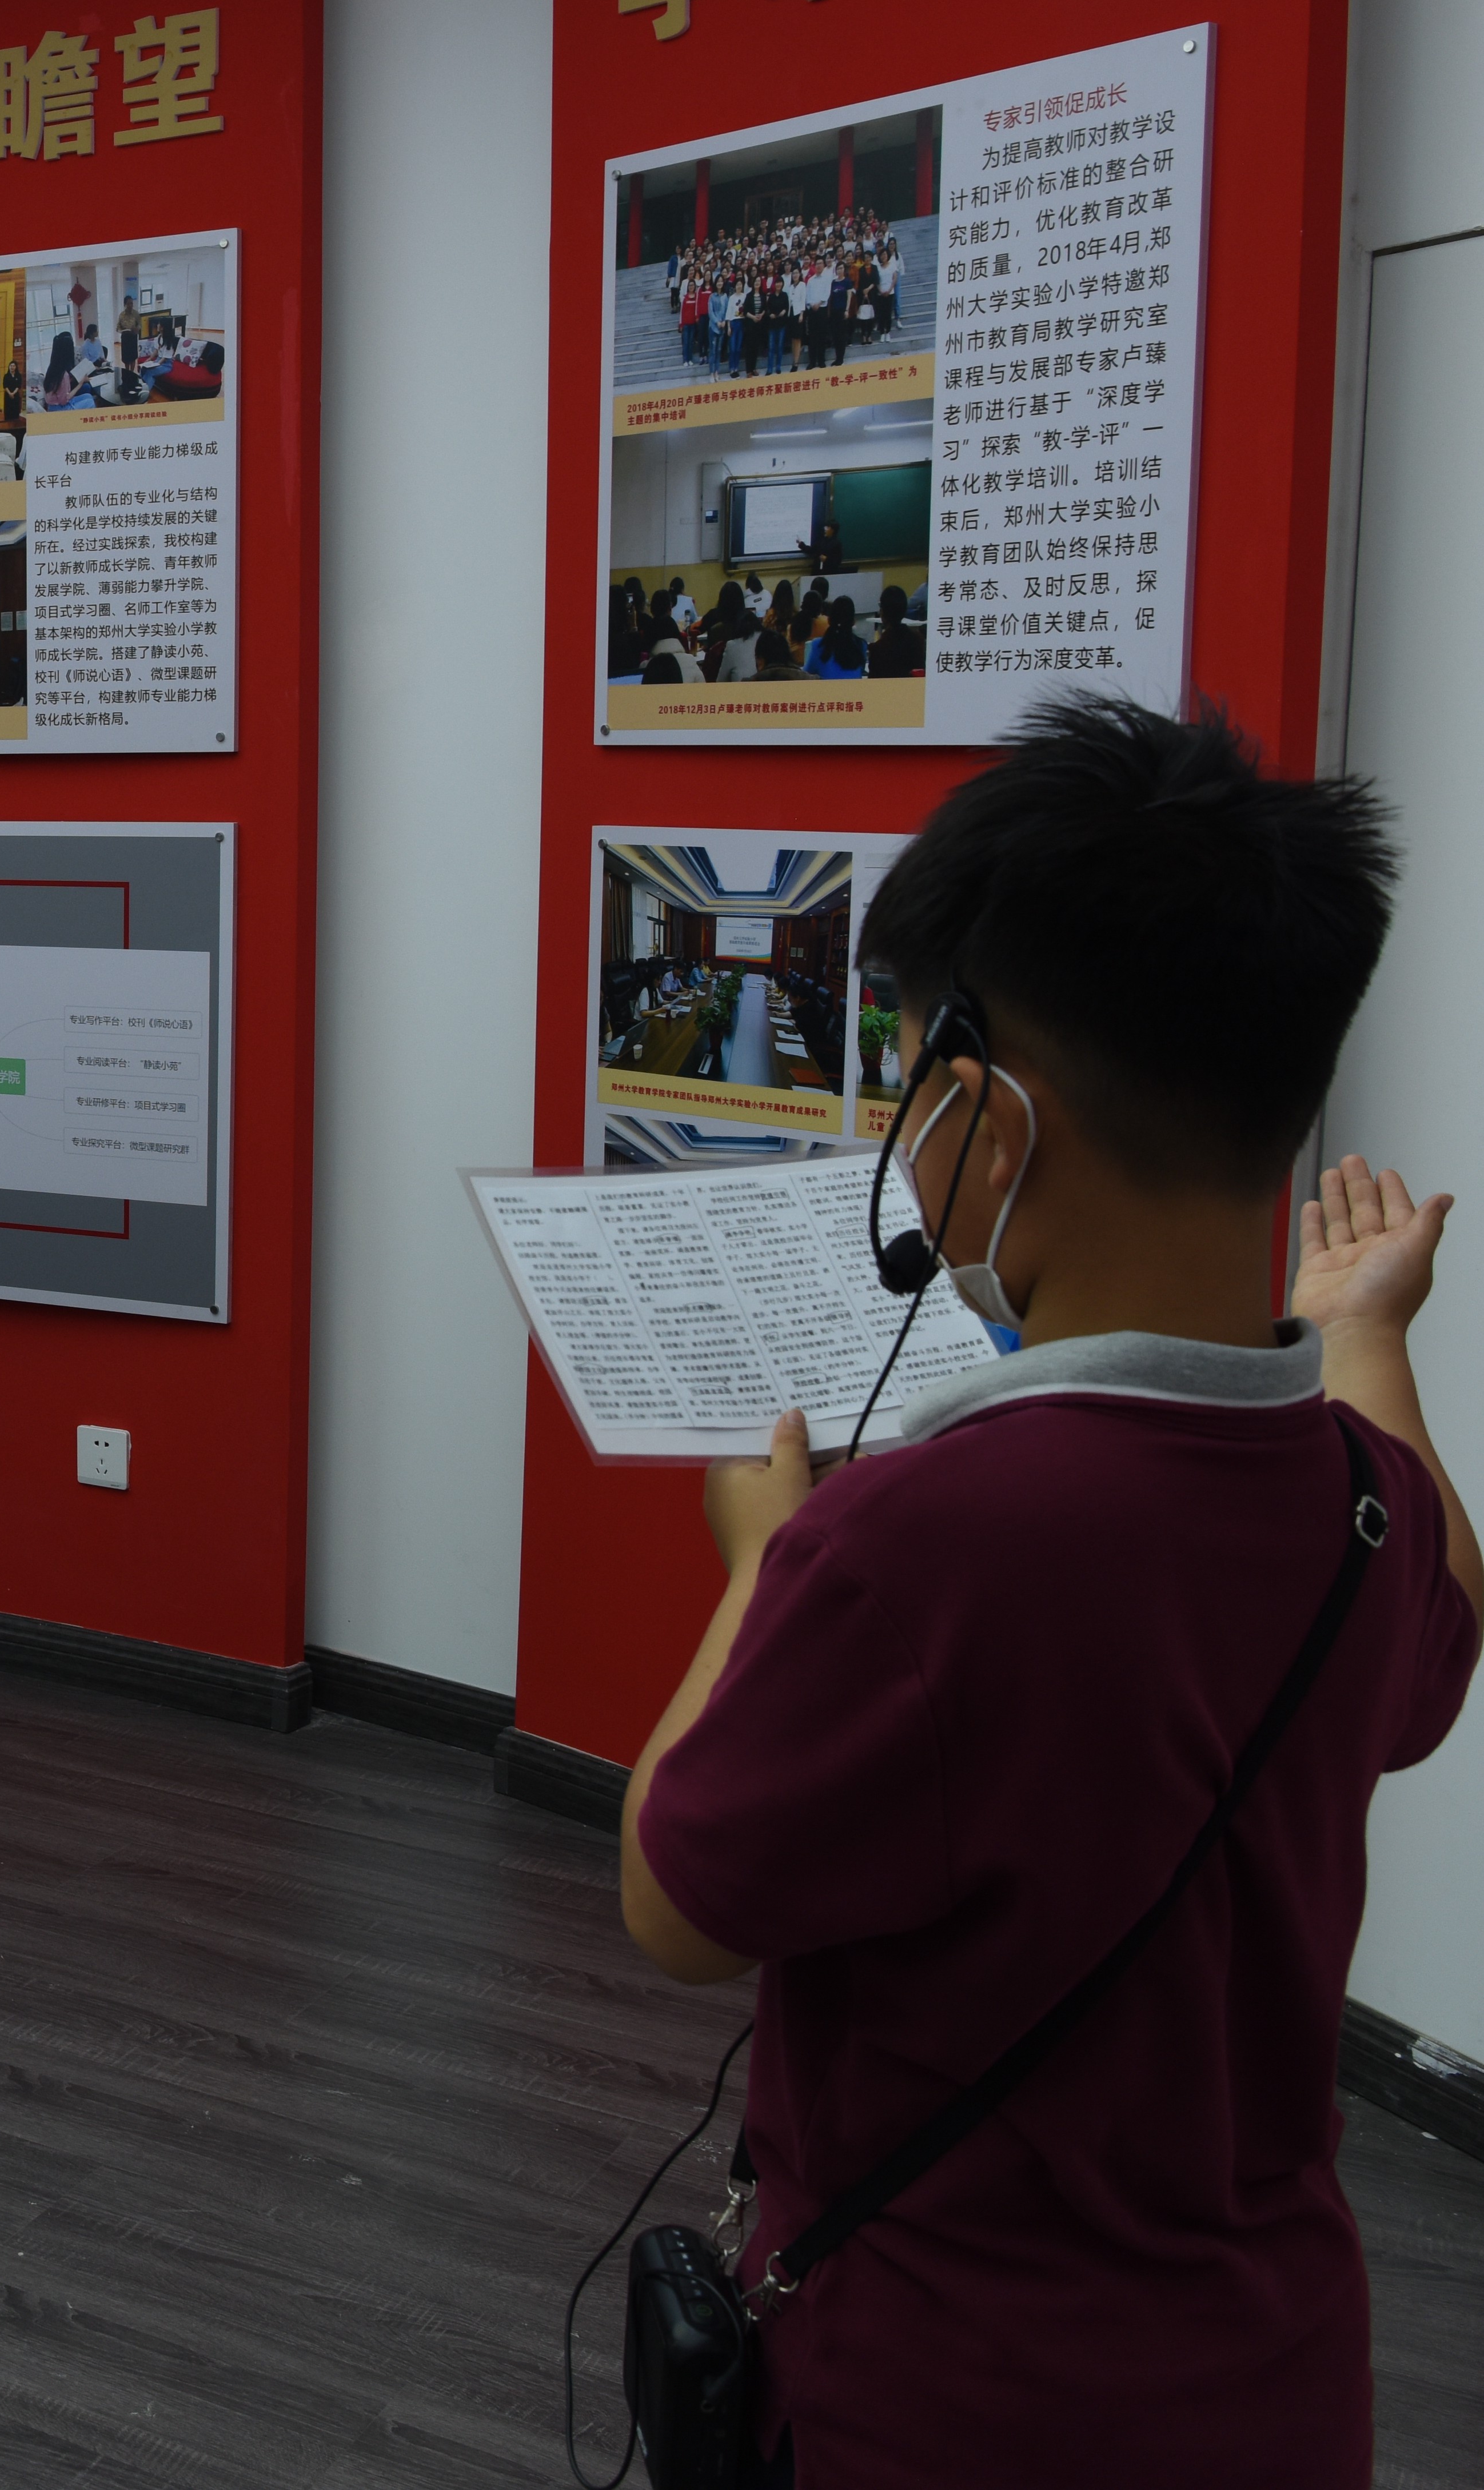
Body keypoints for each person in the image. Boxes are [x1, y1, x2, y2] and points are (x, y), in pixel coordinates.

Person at [623, 697, 1477, 2488]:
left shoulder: (906, 1546)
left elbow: (677, 1899)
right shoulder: (1351, 1504)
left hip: (949, 2404)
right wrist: (1365, 1331)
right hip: (1276, 2389)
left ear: (980, 1108)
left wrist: (762, 1561)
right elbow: (1439, 1601)